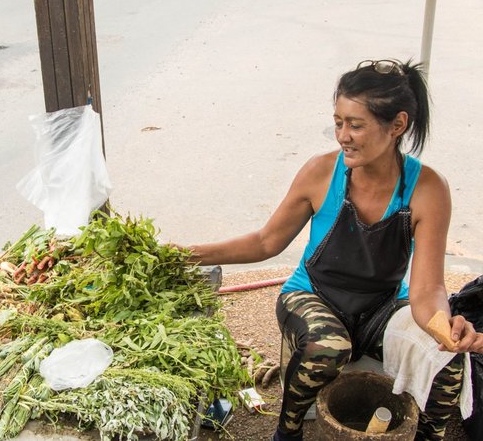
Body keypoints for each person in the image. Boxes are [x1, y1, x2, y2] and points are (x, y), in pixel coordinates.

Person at [184, 59, 483, 440]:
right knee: (328, 348)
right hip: (313, 295)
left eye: (356, 125)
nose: (343, 135)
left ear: (397, 125)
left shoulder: (427, 189)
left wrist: (446, 328)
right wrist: (189, 255)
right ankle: (287, 432)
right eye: (339, 122)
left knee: (446, 359)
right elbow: (266, 242)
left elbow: (427, 291)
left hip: (383, 306)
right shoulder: (321, 172)